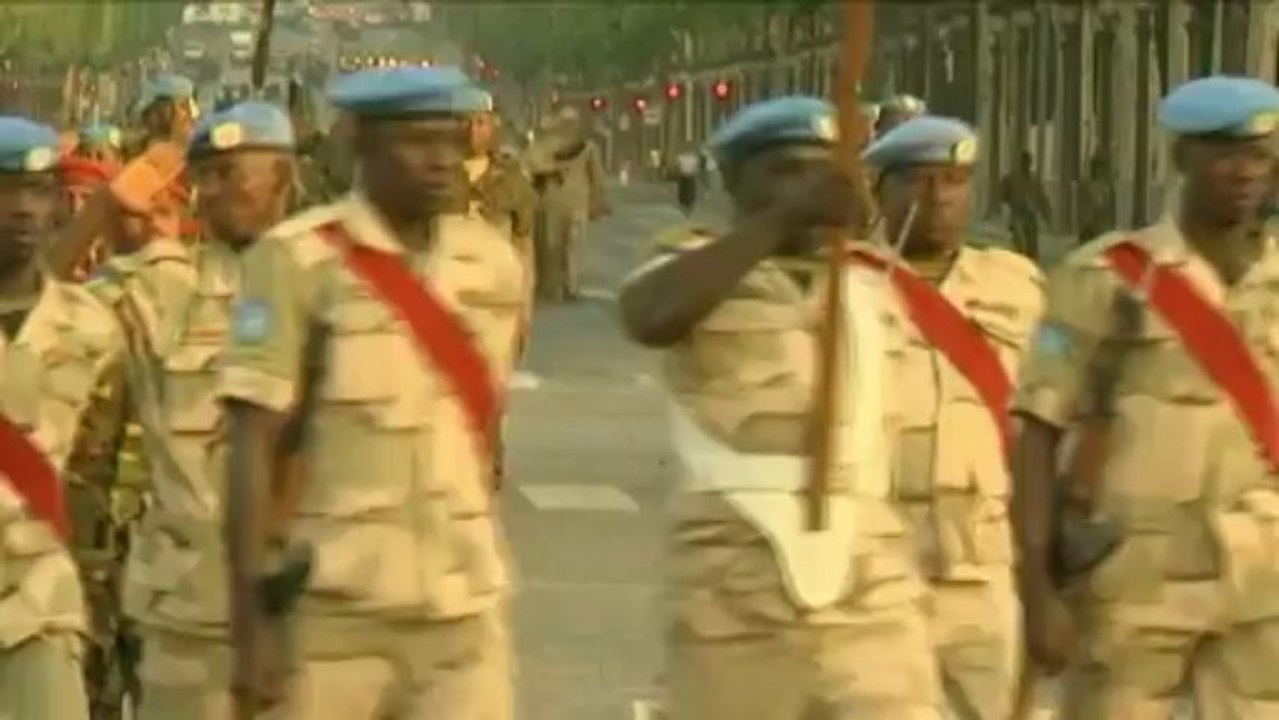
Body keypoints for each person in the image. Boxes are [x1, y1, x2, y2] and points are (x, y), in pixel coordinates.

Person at [617, 96, 941, 719]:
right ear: (738, 181)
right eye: (788, 171)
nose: (812, 187)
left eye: (824, 172)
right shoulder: (696, 264)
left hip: (870, 577)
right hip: (736, 579)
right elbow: (649, 315)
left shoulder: (872, 281)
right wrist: (781, 221)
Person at [220, 66, 523, 720]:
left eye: (451, 141)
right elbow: (251, 444)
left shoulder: (492, 263)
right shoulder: (297, 260)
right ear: (359, 142)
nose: (442, 160)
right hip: (335, 616)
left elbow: (486, 431)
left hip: (461, 613)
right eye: (416, 141)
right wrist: (250, 630)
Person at [17, 101, 299, 720]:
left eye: (234, 172)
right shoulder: (165, 287)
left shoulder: (333, 283)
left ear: (285, 179)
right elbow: (42, 308)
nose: (216, 189)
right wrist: (102, 208)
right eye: (206, 174)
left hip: (316, 612)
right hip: (190, 611)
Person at [1012, 75, 1279, 719]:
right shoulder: (1104, 277)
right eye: (1224, 153)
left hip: (1264, 572)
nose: (1245, 172)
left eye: (1260, 155)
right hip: (1133, 576)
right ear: (1181, 157)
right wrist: (1036, 586)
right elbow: (1037, 432)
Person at [860, 115, 1044, 720]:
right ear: (880, 192)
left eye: (955, 180)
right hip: (874, 568)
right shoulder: (847, 288)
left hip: (984, 568)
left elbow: (1054, 413)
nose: (938, 198)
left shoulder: (1018, 287)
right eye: (916, 181)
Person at [0, 115, 90, 720]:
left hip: (39, 607)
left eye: (38, 191)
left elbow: (102, 469)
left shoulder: (92, 328)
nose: (25, 210)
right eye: (6, 192)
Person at [526, 106, 608, 301]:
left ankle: (555, 288)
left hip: (552, 200)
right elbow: (597, 178)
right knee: (570, 244)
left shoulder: (544, 145)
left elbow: (531, 166)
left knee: (553, 244)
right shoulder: (586, 146)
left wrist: (551, 169)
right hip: (569, 201)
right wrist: (598, 202)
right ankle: (569, 286)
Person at [999, 150, 1052, 260]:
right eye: (1024, 161)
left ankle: (1031, 262)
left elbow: (1042, 197)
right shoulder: (1011, 178)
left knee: (1032, 244)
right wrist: (1007, 208)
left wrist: (1047, 215)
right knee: (1020, 243)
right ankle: (1020, 263)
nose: (1026, 164)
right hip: (1017, 215)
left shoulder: (1034, 180)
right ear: (1020, 162)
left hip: (1030, 216)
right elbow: (1003, 195)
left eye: (1028, 162)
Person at [1077, 153, 1116, 245]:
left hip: (1102, 231)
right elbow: (1088, 211)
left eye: (1107, 169)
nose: (1106, 172)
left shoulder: (1109, 188)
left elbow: (1110, 213)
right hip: (1093, 232)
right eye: (1104, 169)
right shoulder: (1090, 187)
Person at [674, 146, 699, 216]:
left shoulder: (682, 157)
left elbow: (677, 166)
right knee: (688, 189)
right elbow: (696, 167)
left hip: (685, 175)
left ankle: (685, 203)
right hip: (688, 175)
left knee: (685, 189)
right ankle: (687, 203)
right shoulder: (693, 158)